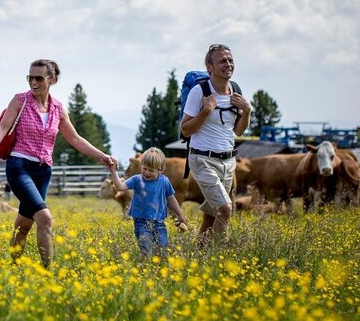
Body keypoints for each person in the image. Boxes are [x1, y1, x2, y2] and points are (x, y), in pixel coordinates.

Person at [0, 59, 117, 268]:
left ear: (52, 80)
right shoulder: (20, 101)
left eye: (39, 78)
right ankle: (49, 274)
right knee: (45, 219)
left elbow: (75, 139)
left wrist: (103, 156)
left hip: (43, 171)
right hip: (19, 167)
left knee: (24, 225)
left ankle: (13, 269)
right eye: (30, 77)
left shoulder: (58, 108)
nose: (33, 82)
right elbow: (2, 127)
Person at [180, 44, 251, 247]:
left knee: (212, 215)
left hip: (228, 161)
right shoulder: (199, 92)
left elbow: (238, 131)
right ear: (209, 66)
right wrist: (205, 111)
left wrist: (247, 112)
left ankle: (199, 254)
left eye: (230, 60)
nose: (228, 64)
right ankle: (220, 255)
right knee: (225, 209)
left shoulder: (235, 90)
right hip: (202, 159)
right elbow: (185, 130)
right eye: (222, 61)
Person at [106, 147, 189, 258]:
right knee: (146, 249)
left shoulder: (164, 181)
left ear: (160, 169)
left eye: (151, 170)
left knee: (162, 249)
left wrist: (180, 215)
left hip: (159, 222)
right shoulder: (136, 179)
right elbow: (120, 187)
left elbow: (171, 198)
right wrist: (113, 172)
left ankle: (158, 270)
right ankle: (146, 267)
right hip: (141, 222)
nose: (147, 173)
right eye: (144, 168)